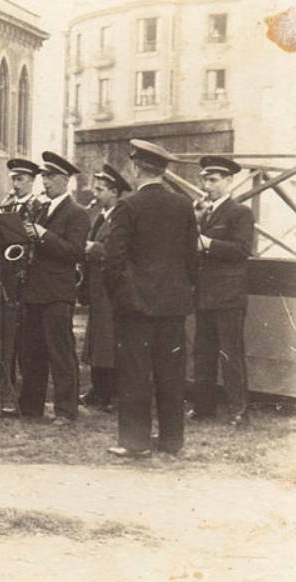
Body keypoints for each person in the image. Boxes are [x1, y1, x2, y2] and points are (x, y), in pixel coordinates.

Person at [104, 139, 197, 457]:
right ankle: (172, 441)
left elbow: (113, 260)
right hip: (173, 306)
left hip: (136, 307)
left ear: (135, 167)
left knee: (134, 374)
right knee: (172, 374)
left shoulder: (127, 206)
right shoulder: (183, 205)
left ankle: (135, 442)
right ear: (162, 169)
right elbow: (191, 258)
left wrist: (119, 296)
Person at [16, 151, 89, 424]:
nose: (45, 182)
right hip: (35, 290)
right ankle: (31, 406)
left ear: (65, 180)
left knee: (61, 353)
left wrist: (45, 235)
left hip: (58, 292)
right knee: (32, 351)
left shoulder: (77, 214)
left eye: (51, 177)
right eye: (44, 177)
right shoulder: (42, 208)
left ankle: (66, 410)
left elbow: (74, 252)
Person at [188, 156, 254, 428]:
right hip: (205, 294)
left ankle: (238, 410)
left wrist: (208, 243)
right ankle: (204, 407)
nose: (208, 185)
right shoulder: (204, 213)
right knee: (203, 353)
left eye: (214, 180)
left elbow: (241, 250)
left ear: (229, 181)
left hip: (228, 296)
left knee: (231, 354)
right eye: (205, 179)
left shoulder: (240, 213)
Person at [81, 164, 131, 412]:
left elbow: (118, 251)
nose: (95, 194)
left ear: (114, 192)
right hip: (98, 287)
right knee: (98, 340)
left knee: (110, 340)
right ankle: (98, 388)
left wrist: (94, 249)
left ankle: (112, 392)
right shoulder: (100, 217)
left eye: (100, 189)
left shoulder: (119, 218)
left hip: (112, 288)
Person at [0, 158, 43, 392]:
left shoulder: (37, 206)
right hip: (5, 269)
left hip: (23, 272)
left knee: (20, 325)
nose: (16, 184)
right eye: (14, 179)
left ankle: (19, 370)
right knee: (3, 321)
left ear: (32, 181)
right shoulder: (8, 202)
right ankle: (4, 370)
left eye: (21, 179)